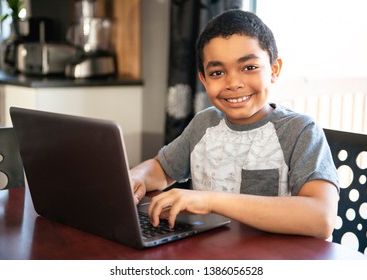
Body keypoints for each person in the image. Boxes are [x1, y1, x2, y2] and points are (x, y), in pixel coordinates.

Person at [130, 9, 339, 239]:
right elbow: (162, 169)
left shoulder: (300, 131)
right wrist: (137, 176)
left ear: (274, 70)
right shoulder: (204, 123)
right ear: (204, 79)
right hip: (214, 253)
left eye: (249, 67)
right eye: (218, 72)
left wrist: (211, 201)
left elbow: (322, 218)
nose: (233, 83)